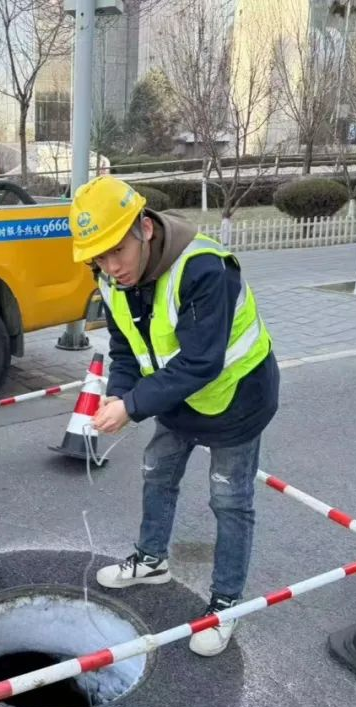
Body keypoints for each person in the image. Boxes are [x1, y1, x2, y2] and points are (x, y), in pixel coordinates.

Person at [71, 175, 280, 657]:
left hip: (237, 399)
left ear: (144, 228)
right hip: (174, 397)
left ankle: (224, 603)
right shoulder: (113, 279)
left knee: (229, 500)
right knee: (157, 471)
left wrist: (132, 406)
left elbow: (202, 363)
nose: (110, 267)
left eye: (116, 250)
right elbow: (125, 346)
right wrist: (118, 395)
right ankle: (151, 559)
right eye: (98, 257)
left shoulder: (204, 269)